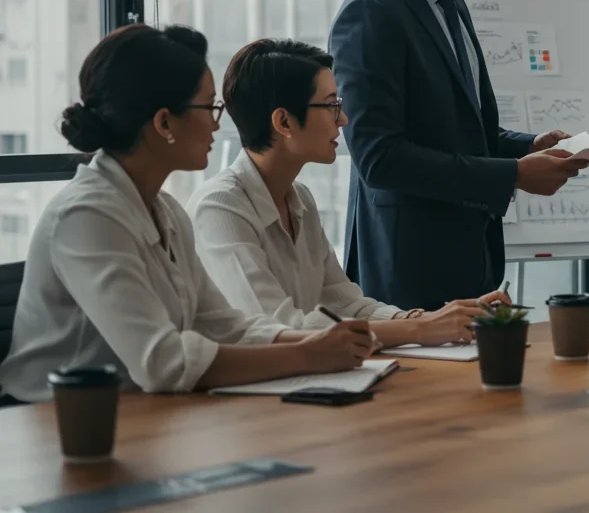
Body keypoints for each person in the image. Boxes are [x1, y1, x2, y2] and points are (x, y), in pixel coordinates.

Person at [0, 25, 374, 405]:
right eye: (209, 107)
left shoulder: (167, 212)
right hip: (52, 424)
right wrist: (309, 355)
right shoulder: (86, 216)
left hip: (141, 412)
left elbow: (226, 327)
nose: (217, 124)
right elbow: (163, 361)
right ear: (164, 123)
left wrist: (321, 341)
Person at [329, 0, 588, 310]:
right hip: (409, 275)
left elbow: (458, 131)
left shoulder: (451, 3)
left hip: (471, 259)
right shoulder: (371, 12)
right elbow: (379, 157)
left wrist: (525, 147)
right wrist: (513, 174)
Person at [187, 39, 511, 348]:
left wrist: (430, 318)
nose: (342, 119)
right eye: (331, 105)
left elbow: (347, 305)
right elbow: (282, 329)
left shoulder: (299, 197)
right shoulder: (220, 209)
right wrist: (419, 329)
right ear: (284, 121)